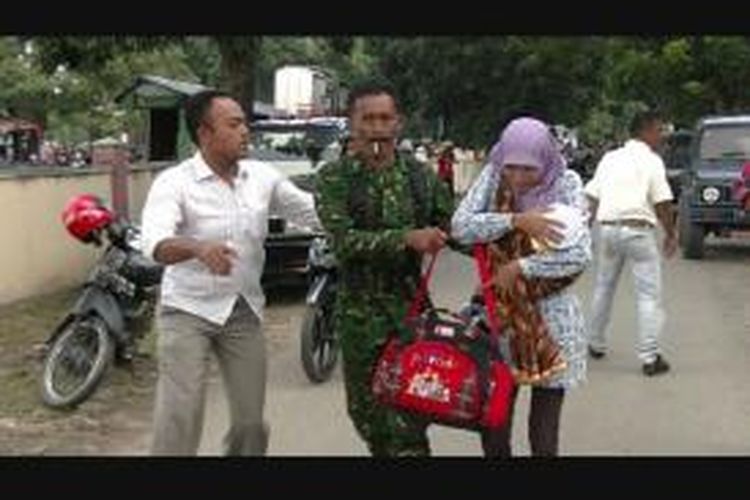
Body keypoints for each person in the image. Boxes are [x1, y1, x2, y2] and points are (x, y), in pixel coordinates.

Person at [141, 89, 321, 455]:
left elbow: (312, 212)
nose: (245, 132)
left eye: (245, 124)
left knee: (251, 425)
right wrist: (197, 248)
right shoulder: (173, 182)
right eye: (235, 124)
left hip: (243, 311)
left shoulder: (262, 177)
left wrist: (373, 219)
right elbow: (155, 244)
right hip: (187, 311)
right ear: (205, 133)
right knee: (181, 415)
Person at [314, 80, 454, 456]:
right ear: (352, 123)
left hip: (411, 316)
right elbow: (344, 241)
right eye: (368, 118)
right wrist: (406, 238)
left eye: (385, 118)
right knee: (368, 417)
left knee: (411, 418)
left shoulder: (421, 178)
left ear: (398, 123)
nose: (377, 127)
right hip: (359, 318)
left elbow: (453, 228)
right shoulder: (334, 178)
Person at [452, 116, 592, 457]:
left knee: (545, 431)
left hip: (553, 321)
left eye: (528, 169)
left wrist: (521, 266)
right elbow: (461, 226)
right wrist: (516, 220)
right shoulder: (493, 177)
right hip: (499, 320)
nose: (517, 178)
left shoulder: (567, 184)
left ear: (545, 159)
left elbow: (578, 254)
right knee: (494, 419)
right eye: (511, 167)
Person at [584, 110, 676, 376]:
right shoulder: (652, 161)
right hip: (637, 231)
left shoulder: (610, 158)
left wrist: (584, 229)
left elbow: (592, 197)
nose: (662, 136)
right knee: (649, 295)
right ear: (645, 131)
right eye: (659, 130)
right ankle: (650, 356)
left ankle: (595, 342)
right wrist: (670, 233)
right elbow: (662, 202)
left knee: (604, 287)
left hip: (608, 230)